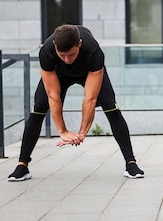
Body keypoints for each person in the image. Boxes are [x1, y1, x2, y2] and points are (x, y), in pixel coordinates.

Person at [8, 24, 145, 181]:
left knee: (110, 105)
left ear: (79, 44)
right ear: (55, 46)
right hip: (58, 74)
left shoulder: (93, 51)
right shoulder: (46, 51)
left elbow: (90, 98)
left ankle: (131, 163)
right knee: (39, 107)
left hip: (88, 71)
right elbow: (53, 95)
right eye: (62, 55)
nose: (67, 60)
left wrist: (82, 132)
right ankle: (22, 165)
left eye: (71, 55)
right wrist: (63, 131)